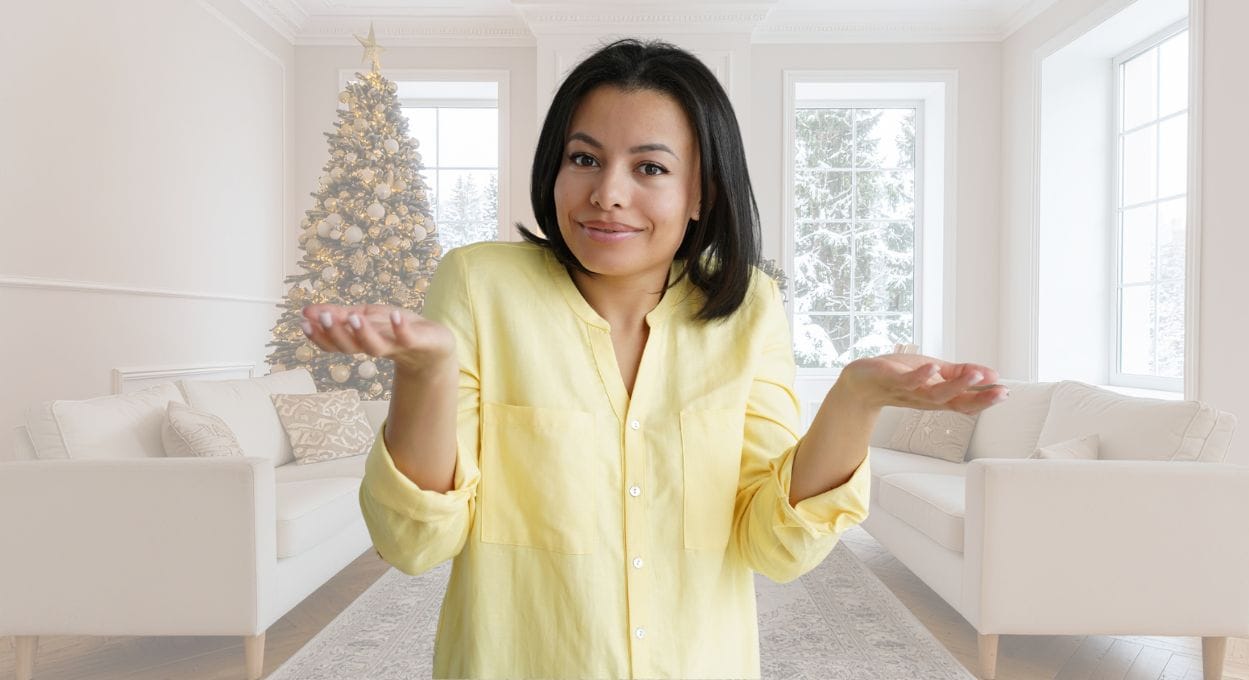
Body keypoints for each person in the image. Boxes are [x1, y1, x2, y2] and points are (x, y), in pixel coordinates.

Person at [299, 37, 1008, 680]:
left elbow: (774, 545)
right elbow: (414, 543)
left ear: (700, 192)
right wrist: (425, 372)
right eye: (585, 159)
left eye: (650, 167)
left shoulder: (751, 308)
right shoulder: (479, 285)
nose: (608, 192)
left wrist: (855, 400)